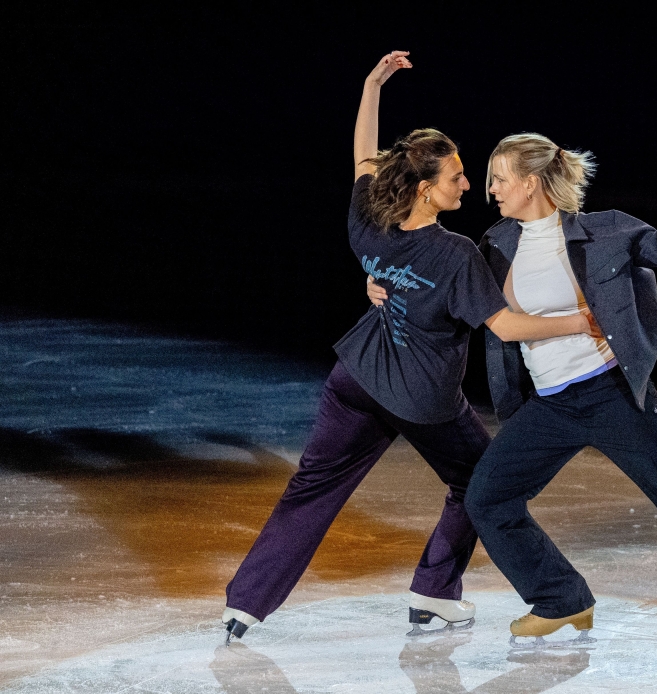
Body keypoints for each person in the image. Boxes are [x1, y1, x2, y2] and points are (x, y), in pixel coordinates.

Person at [373, 132, 657, 650]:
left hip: (615, 395)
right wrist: (383, 284)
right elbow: (451, 293)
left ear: (531, 182)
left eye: (499, 179)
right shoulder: (495, 244)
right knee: (488, 498)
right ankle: (561, 599)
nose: (490, 191)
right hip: (551, 406)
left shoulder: (606, 230)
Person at [222, 52, 597, 643]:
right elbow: (504, 327)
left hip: (355, 380)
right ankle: (434, 590)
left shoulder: (369, 216)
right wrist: (581, 323)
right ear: (426, 191)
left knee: (311, 487)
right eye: (457, 177)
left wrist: (371, 85)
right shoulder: (454, 254)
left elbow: (362, 155)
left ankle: (244, 604)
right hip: (423, 398)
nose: (469, 184)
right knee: (482, 483)